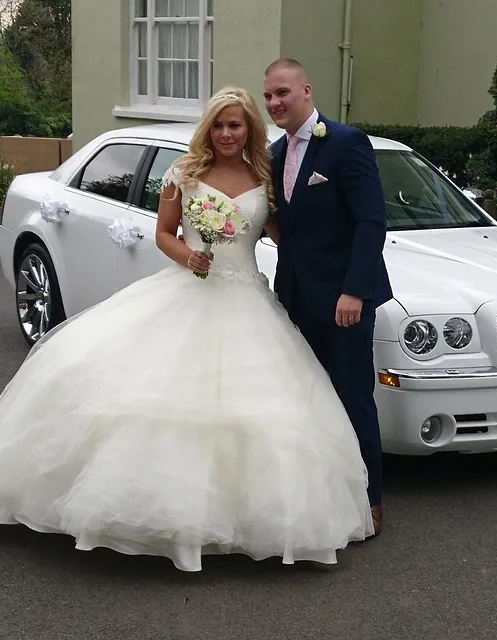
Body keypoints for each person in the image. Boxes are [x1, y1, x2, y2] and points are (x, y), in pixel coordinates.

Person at [0, 87, 374, 572]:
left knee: (266, 409)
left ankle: (251, 518)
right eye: (218, 125)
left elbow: (290, 236)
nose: (225, 134)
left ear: (249, 130)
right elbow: (164, 234)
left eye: (235, 125)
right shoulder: (183, 174)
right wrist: (189, 255)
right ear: (208, 129)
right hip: (188, 289)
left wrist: (343, 268)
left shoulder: (266, 177)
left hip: (247, 300)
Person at [263, 59, 393, 535]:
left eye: (282, 93)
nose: (275, 103)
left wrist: (354, 290)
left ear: (306, 91)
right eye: (269, 97)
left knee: (354, 397)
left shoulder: (345, 143)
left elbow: (370, 220)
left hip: (345, 302)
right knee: (309, 400)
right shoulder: (274, 156)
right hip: (296, 299)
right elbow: (287, 229)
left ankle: (370, 500)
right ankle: (321, 498)